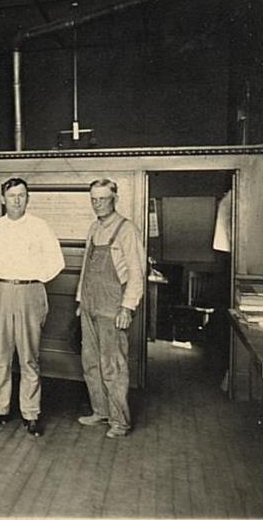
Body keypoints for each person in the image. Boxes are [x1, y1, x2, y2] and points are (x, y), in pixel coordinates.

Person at [0, 178, 64, 436]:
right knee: (0, 358)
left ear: (27, 198)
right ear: (3, 199)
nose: (16, 200)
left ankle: (31, 413)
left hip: (29, 293)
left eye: (21, 195)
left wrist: (34, 276)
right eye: (11, 195)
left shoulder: (39, 227)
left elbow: (56, 262)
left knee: (29, 357)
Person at [75, 179, 145, 438]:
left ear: (115, 199)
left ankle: (120, 421)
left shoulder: (127, 230)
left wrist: (127, 307)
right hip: (90, 305)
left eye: (103, 198)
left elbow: (137, 274)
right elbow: (85, 268)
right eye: (94, 199)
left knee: (113, 365)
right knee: (90, 362)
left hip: (113, 307)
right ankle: (100, 411)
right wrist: (81, 300)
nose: (98, 203)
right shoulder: (94, 228)